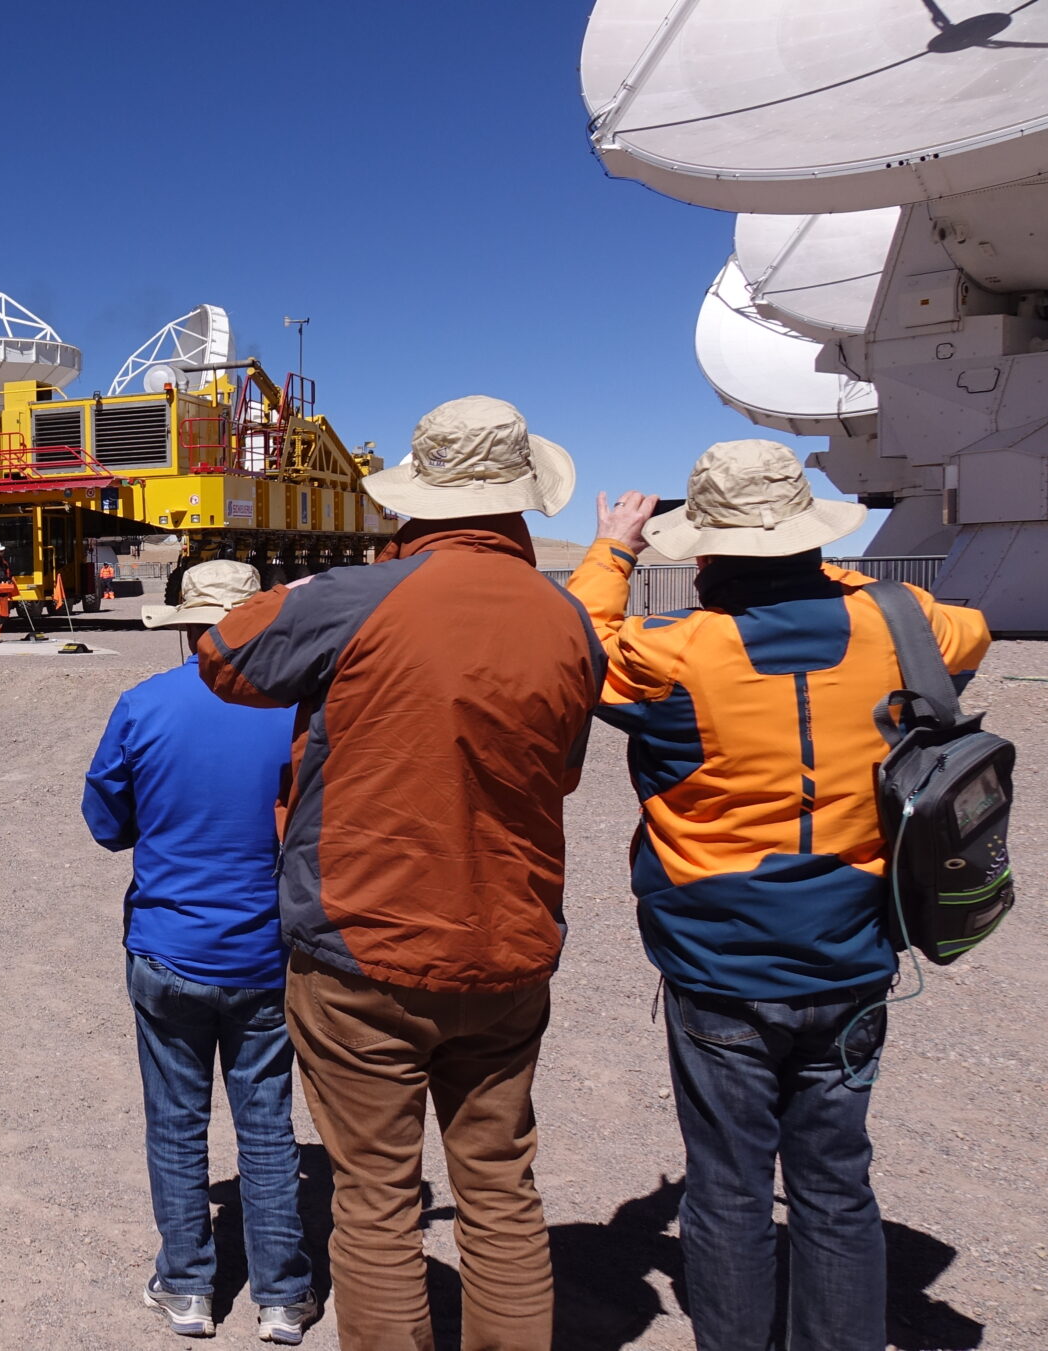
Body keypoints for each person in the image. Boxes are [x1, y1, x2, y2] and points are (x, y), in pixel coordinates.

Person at [197, 396, 604, 1351]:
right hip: (507, 949)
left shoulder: (361, 597)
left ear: (414, 500)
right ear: (521, 503)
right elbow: (567, 770)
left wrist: (348, 585)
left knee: (375, 1200)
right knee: (501, 1188)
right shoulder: (569, 622)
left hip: (361, 947)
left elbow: (224, 653)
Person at [568, 442, 990, 1351]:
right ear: (807, 537)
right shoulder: (902, 620)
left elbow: (575, 648)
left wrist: (612, 553)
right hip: (852, 950)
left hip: (719, 961)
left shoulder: (674, 651)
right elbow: (972, 632)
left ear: (708, 553)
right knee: (835, 1183)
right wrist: (821, 570)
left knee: (728, 1185)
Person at [84, 560, 317, 1344]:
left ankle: (187, 1285)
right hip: (265, 954)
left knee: (176, 1121)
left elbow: (106, 821)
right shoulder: (296, 713)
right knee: (266, 1121)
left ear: (183, 624)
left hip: (168, 948)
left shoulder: (144, 705)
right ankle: (282, 1293)